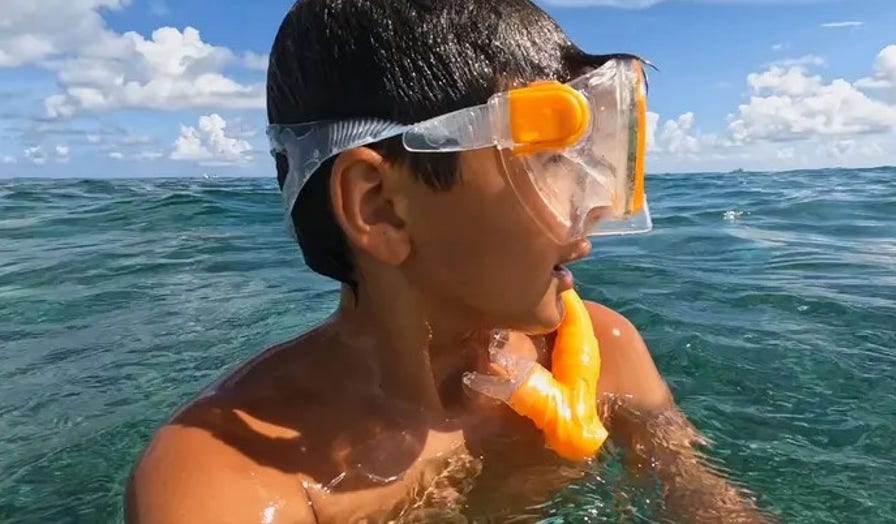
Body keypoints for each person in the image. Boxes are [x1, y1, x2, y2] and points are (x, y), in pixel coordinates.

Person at [124, 0, 768, 522]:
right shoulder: (228, 481)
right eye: (548, 162)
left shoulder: (608, 350)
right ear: (381, 208)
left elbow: (713, 507)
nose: (593, 204)